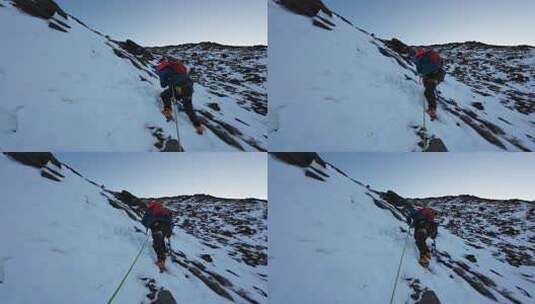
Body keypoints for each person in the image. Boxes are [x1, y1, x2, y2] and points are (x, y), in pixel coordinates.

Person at [156, 57, 204, 134]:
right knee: (188, 106)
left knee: (165, 95)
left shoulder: (163, 68)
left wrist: (165, 78)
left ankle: (167, 110)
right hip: (189, 86)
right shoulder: (177, 66)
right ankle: (198, 126)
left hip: (178, 87)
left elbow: (163, 85)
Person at [413, 48, 446, 120]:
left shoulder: (422, 59)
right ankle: (432, 107)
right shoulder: (428, 57)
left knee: (428, 91)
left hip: (432, 76)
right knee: (429, 90)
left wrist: (422, 73)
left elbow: (422, 70)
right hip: (437, 75)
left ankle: (432, 109)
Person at [141, 200, 173, 272]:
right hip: (166, 227)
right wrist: (169, 232)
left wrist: (148, 225)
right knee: (161, 240)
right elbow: (170, 220)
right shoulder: (164, 210)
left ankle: (161, 261)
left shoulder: (150, 209)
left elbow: (143, 221)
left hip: (156, 226)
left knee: (156, 243)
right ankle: (164, 252)